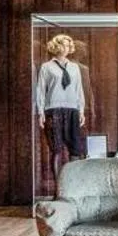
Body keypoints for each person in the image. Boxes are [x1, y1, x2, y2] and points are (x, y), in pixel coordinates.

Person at [37, 34, 89, 188]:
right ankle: (58, 187)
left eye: (69, 45)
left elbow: (79, 89)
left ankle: (73, 186)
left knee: (75, 149)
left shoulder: (74, 68)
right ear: (57, 47)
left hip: (72, 109)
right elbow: (40, 90)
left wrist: (80, 110)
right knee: (56, 149)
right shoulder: (46, 67)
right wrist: (41, 112)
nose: (67, 48)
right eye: (64, 45)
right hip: (53, 110)